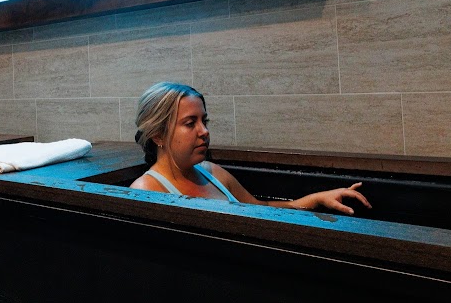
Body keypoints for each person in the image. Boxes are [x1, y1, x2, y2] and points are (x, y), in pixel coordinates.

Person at [130, 82, 372, 215]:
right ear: (158, 135)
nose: (204, 131)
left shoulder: (212, 172)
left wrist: (317, 199)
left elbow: (261, 210)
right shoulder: (146, 191)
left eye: (205, 121)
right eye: (190, 123)